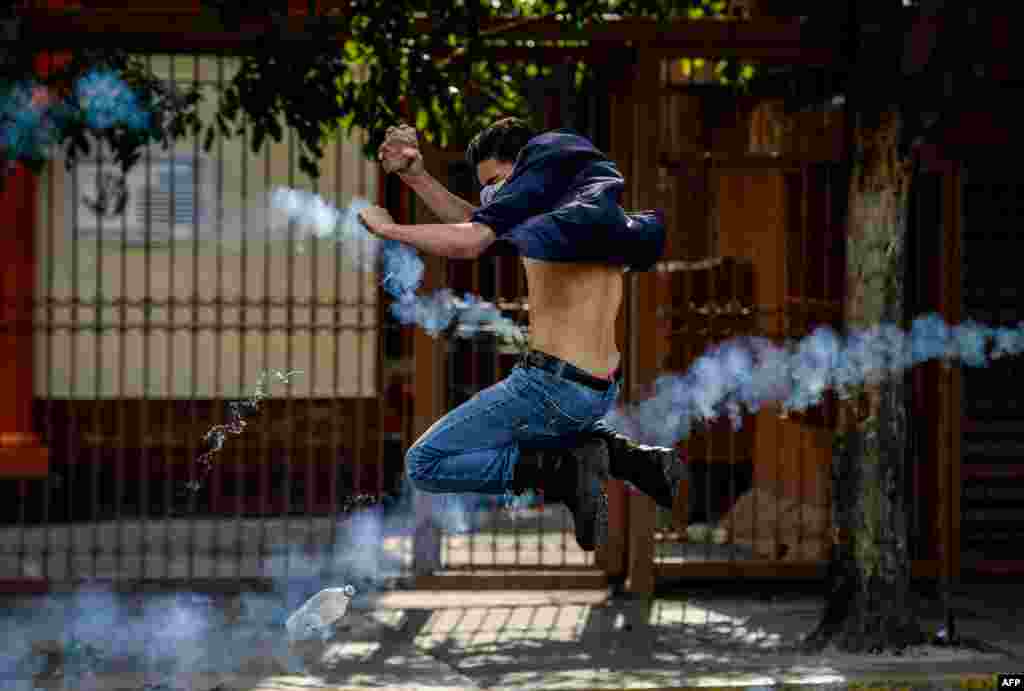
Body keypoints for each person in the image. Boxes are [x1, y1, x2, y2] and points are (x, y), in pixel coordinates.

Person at [357, 118, 685, 551]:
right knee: (538, 436)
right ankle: (624, 457)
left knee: (425, 463)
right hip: (598, 389)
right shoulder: (577, 215)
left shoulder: (555, 206)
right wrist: (418, 177)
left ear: (527, 168)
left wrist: (388, 230)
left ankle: (566, 471)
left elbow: (470, 239)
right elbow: (477, 221)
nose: (491, 196)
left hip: (550, 386)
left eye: (495, 182)